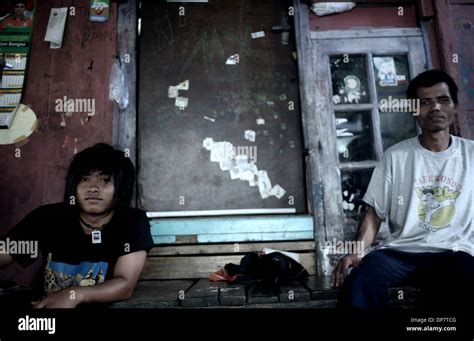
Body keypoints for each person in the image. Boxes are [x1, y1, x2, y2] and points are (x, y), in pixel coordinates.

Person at [331, 69, 474, 310]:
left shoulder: (471, 155)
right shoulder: (396, 157)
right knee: (360, 282)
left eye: (442, 100)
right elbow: (374, 214)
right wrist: (354, 253)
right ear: (414, 111)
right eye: (425, 102)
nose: (435, 108)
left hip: (456, 251)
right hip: (401, 253)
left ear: (454, 106)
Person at [0, 143, 154, 308]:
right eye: (85, 179)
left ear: (121, 187)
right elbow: (6, 252)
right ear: (74, 186)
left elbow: (124, 284)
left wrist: (73, 295)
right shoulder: (48, 217)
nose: (93, 188)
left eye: (104, 180)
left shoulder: (132, 222)